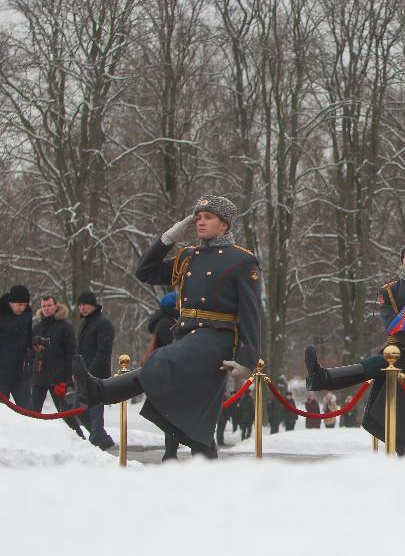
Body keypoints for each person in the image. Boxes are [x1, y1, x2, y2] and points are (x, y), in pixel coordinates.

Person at [72, 195, 262, 459]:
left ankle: (101, 391)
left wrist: (247, 358)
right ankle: (210, 473)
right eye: (198, 218)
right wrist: (167, 239)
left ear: (225, 225)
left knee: (161, 360)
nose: (201, 223)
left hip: (217, 338)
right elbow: (145, 272)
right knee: (198, 419)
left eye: (209, 218)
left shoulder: (242, 261)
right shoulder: (188, 257)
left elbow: (251, 312)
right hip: (186, 336)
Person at [305, 238, 405, 454]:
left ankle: (324, 378)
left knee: (387, 367)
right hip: (397, 350)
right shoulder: (390, 291)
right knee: (385, 361)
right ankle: (321, 377)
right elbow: (392, 324)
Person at [30, 296, 84, 438]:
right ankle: (31, 439)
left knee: (65, 412)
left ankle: (80, 438)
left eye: (49, 306)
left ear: (55, 307)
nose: (46, 309)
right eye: (44, 306)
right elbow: (30, 351)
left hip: (58, 377)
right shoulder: (37, 328)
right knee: (32, 412)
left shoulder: (65, 327)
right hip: (39, 376)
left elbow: (71, 353)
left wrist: (68, 379)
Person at [76, 291, 116, 450]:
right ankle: (101, 437)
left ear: (93, 305)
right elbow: (80, 350)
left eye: (85, 304)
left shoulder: (103, 324)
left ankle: (96, 439)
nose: (82, 308)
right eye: (80, 305)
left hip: (96, 375)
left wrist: (90, 374)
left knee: (95, 410)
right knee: (78, 409)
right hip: (83, 374)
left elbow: (103, 353)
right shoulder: (85, 323)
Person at [145, 292, 182, 460]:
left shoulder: (169, 321)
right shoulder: (165, 323)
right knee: (172, 418)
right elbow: (170, 348)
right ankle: (170, 455)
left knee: (174, 417)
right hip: (168, 375)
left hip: (169, 374)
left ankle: (171, 454)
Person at [0, 284, 33, 409]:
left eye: (24, 305)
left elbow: (28, 337)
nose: (22, 308)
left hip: (21, 371)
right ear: (11, 302)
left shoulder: (27, 314)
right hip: (2, 373)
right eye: (19, 305)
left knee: (27, 409)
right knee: (3, 411)